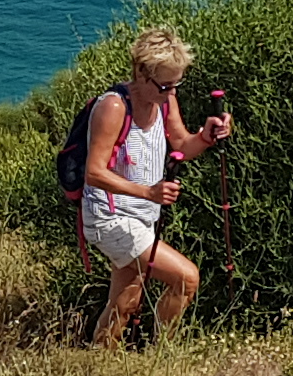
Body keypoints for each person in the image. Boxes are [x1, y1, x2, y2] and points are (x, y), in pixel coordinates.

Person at [80, 26, 232, 347]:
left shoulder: (164, 99)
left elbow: (181, 144)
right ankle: (162, 354)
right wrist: (149, 193)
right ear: (140, 72)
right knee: (186, 279)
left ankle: (98, 358)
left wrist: (206, 136)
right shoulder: (113, 108)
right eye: (164, 85)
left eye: (176, 84)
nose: (170, 92)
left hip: (140, 215)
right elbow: (93, 173)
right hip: (111, 218)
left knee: (125, 301)